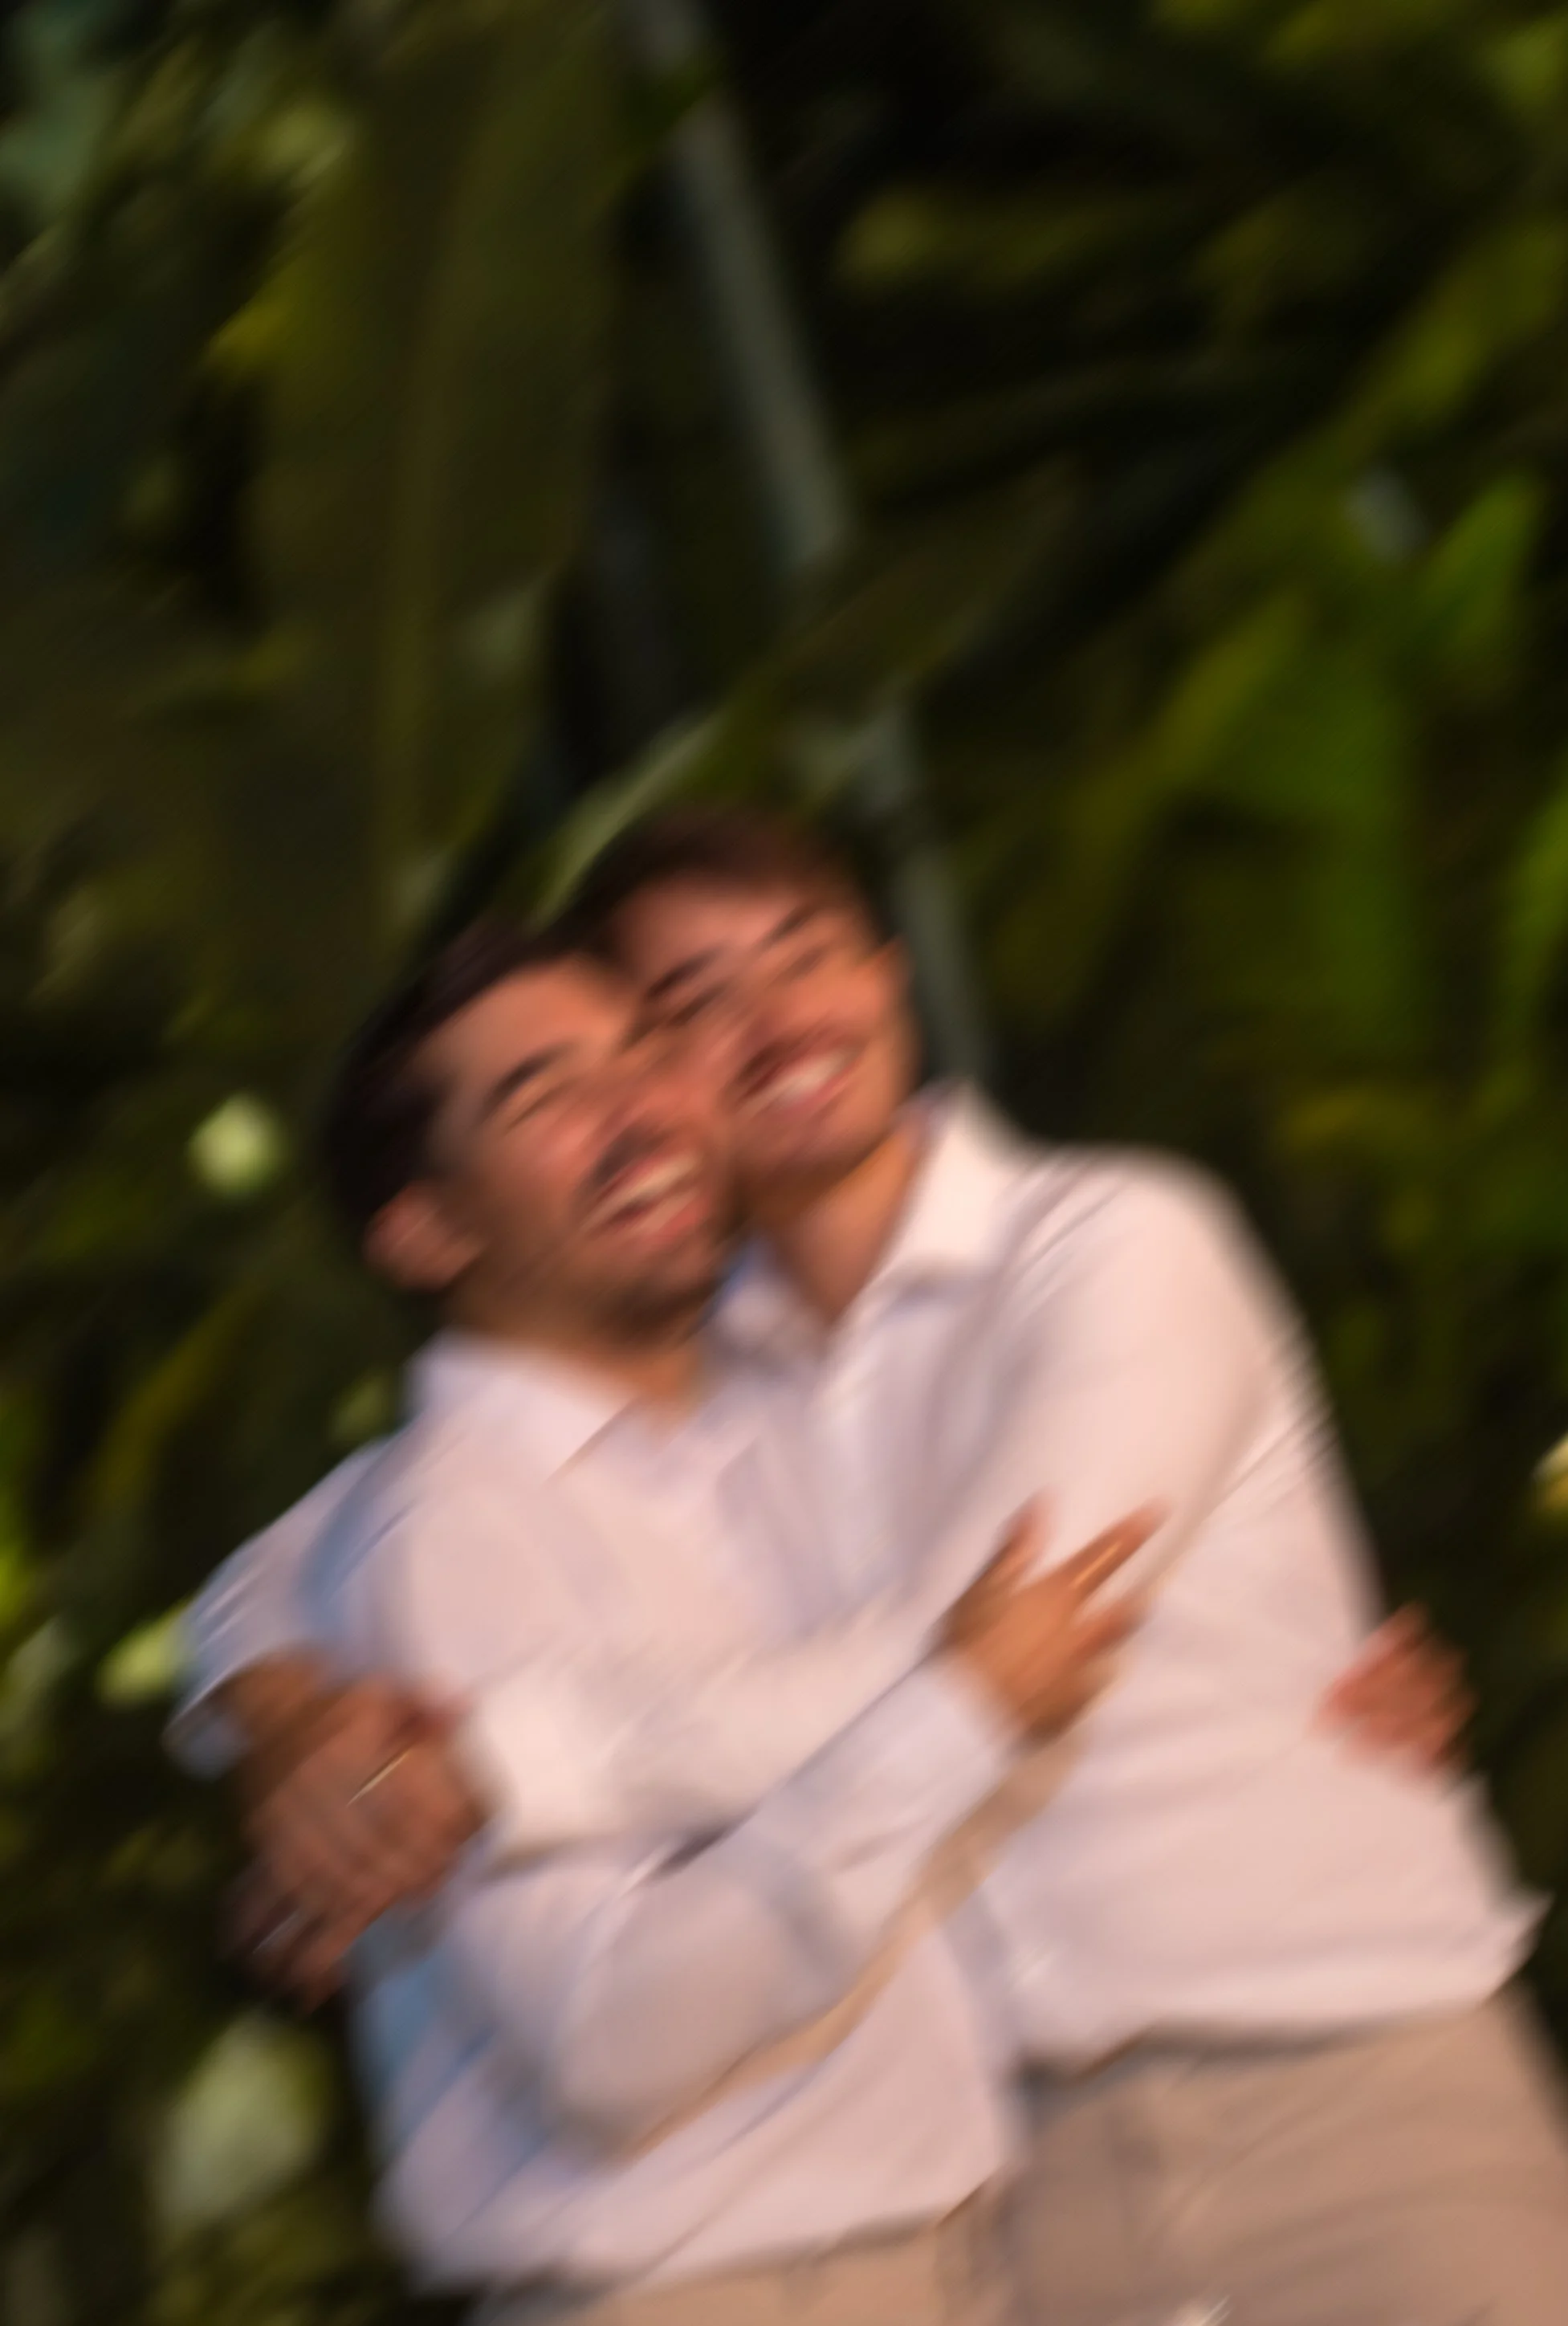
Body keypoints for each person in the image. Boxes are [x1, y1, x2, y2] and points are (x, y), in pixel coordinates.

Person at [182, 806, 1566, 2325]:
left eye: (808, 955)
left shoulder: (1108, 1247)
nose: (776, 1021)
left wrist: (490, 1763)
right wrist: (284, 1713)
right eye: (691, 1008)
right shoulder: (710, 1394)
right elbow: (345, 1531)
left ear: (891, 974)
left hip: (1340, 2081)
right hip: (1012, 2198)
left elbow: (960, 1653)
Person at [181, 915, 1155, 2324]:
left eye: (643, 1051)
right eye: (544, 1098)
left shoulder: (780, 1407)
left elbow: (257, 1582)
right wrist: (951, 1723)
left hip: (955, 2259)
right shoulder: (451, 1533)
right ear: (427, 1231)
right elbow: (606, 2038)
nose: (639, 1110)